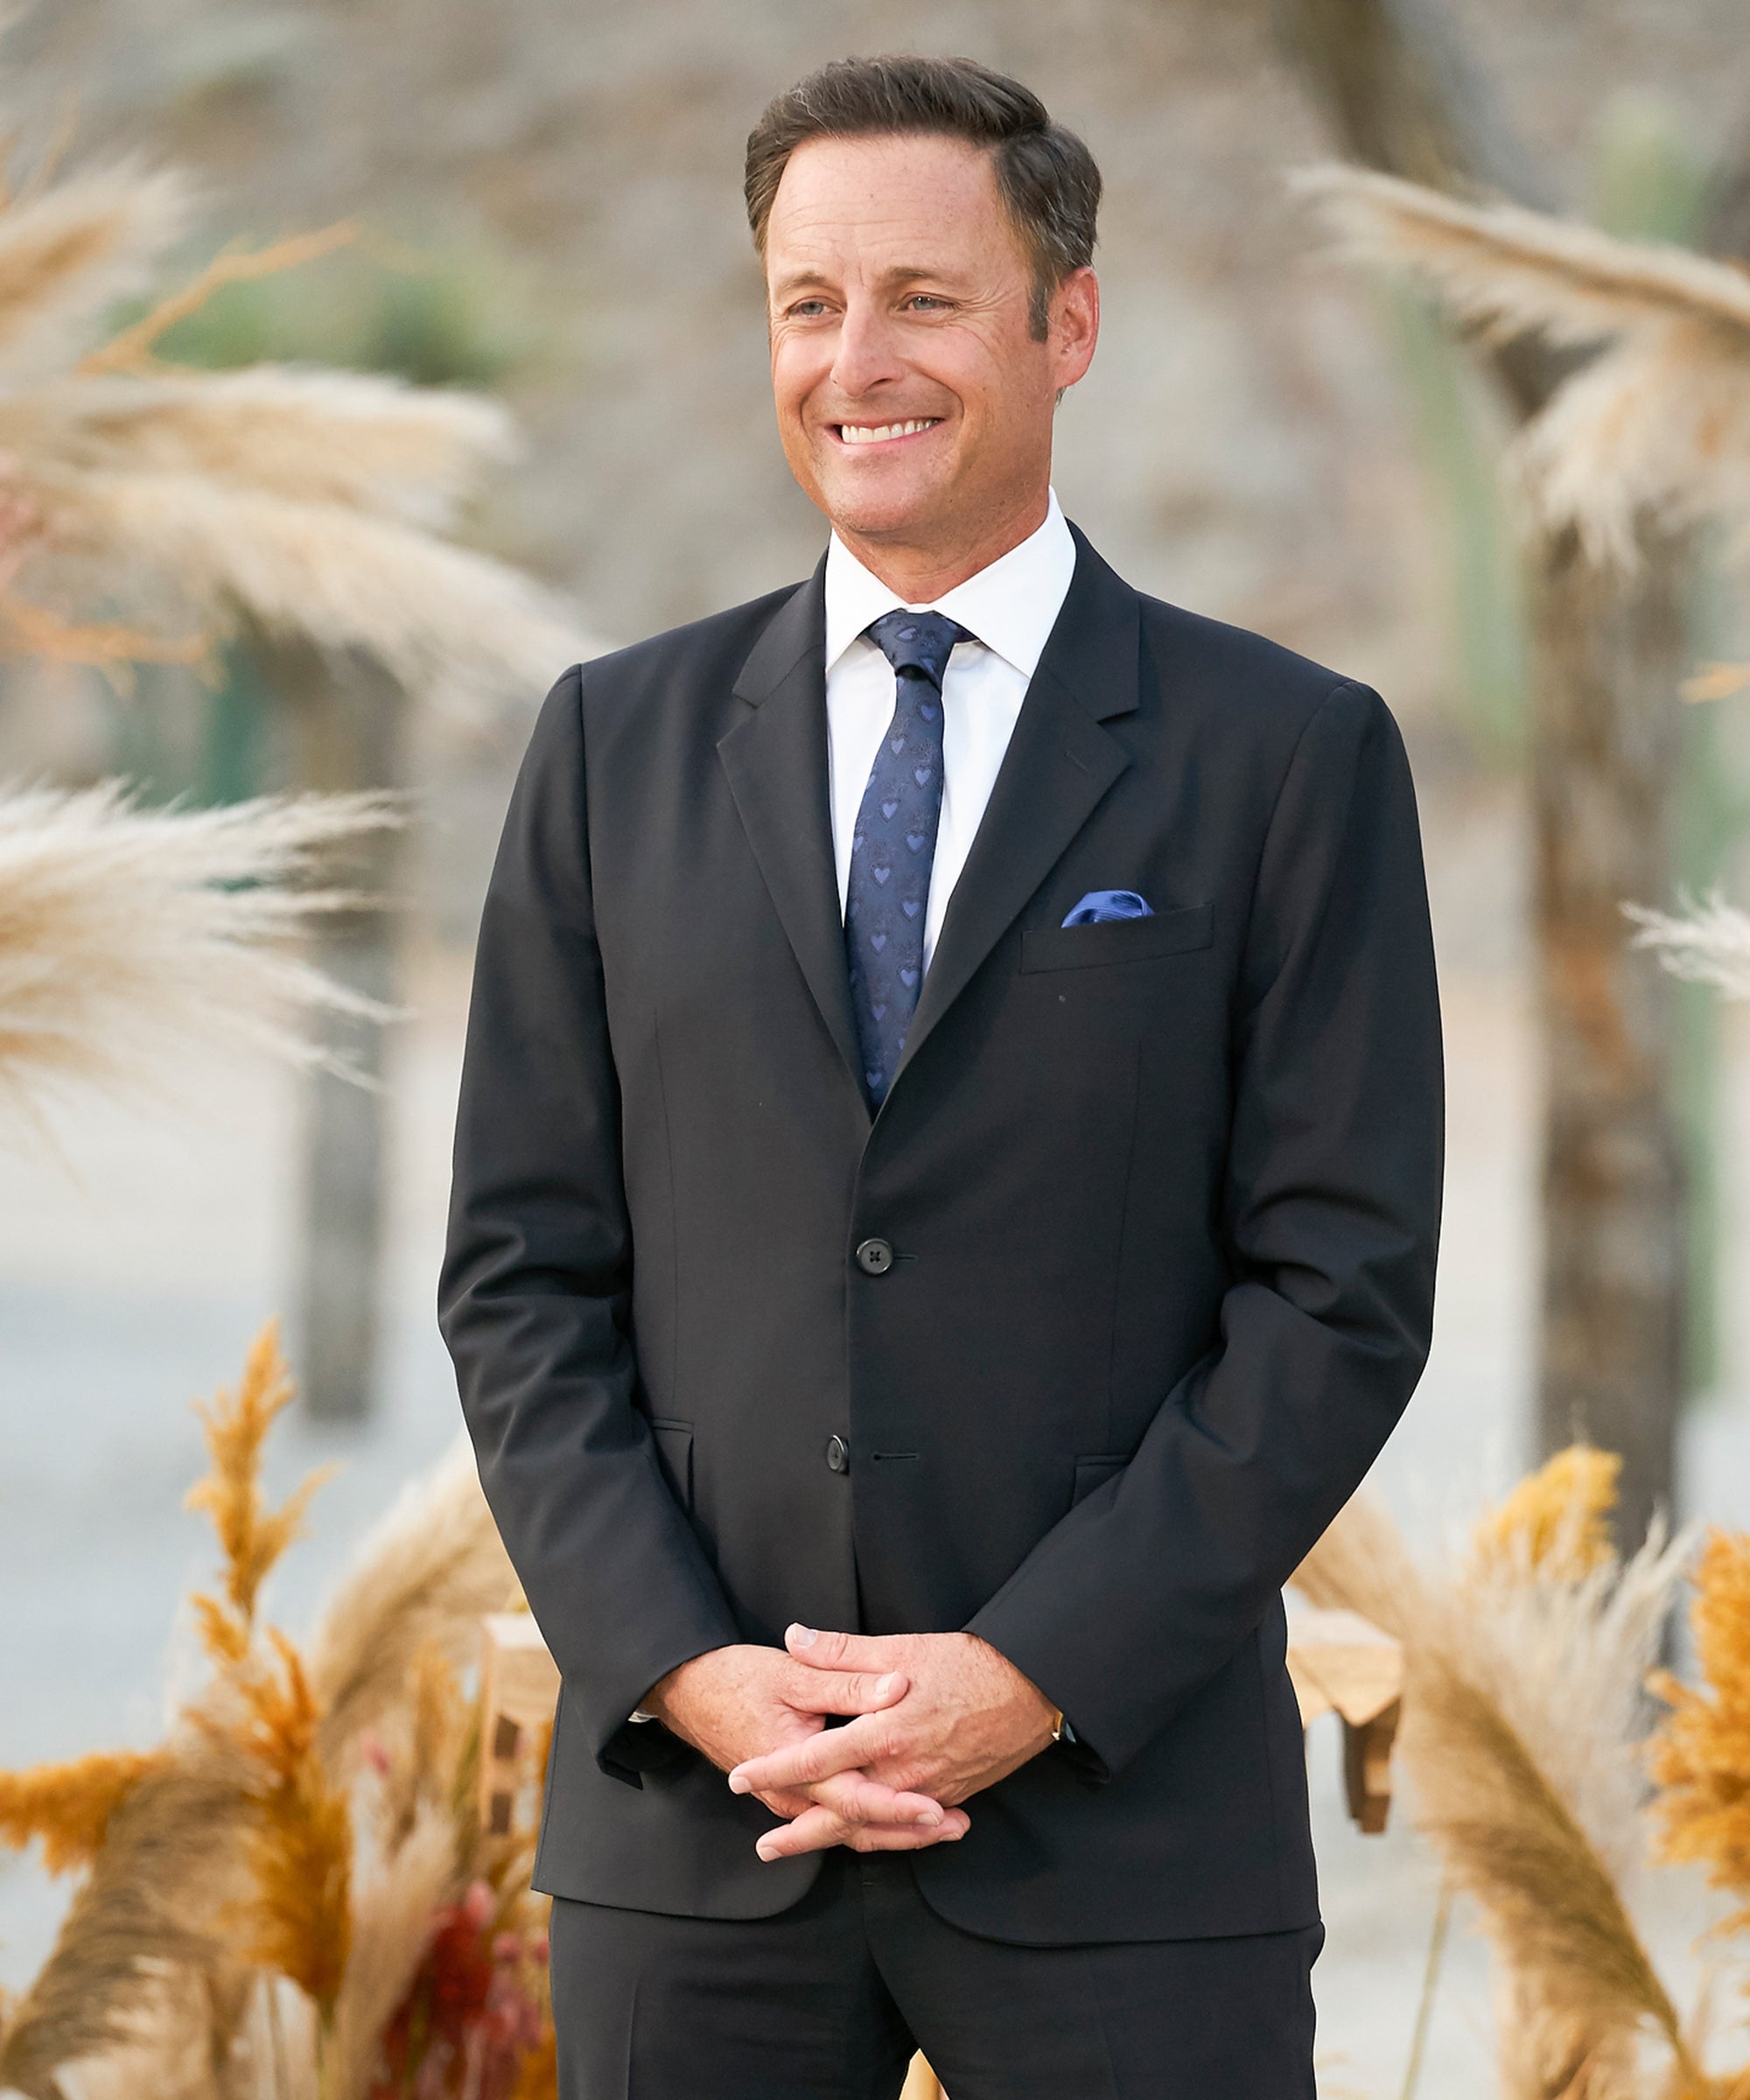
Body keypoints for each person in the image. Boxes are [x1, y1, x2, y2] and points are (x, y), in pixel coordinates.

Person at [439, 51, 1444, 2100]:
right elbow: (520, 1278)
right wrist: (689, 1675)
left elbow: (1338, 1293)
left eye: (921, 299)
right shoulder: (610, 749)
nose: (855, 362)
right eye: (808, 303)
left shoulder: (1283, 755)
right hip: (702, 1838)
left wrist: (1031, 1674)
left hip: (1124, 1842)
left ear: (1067, 325)